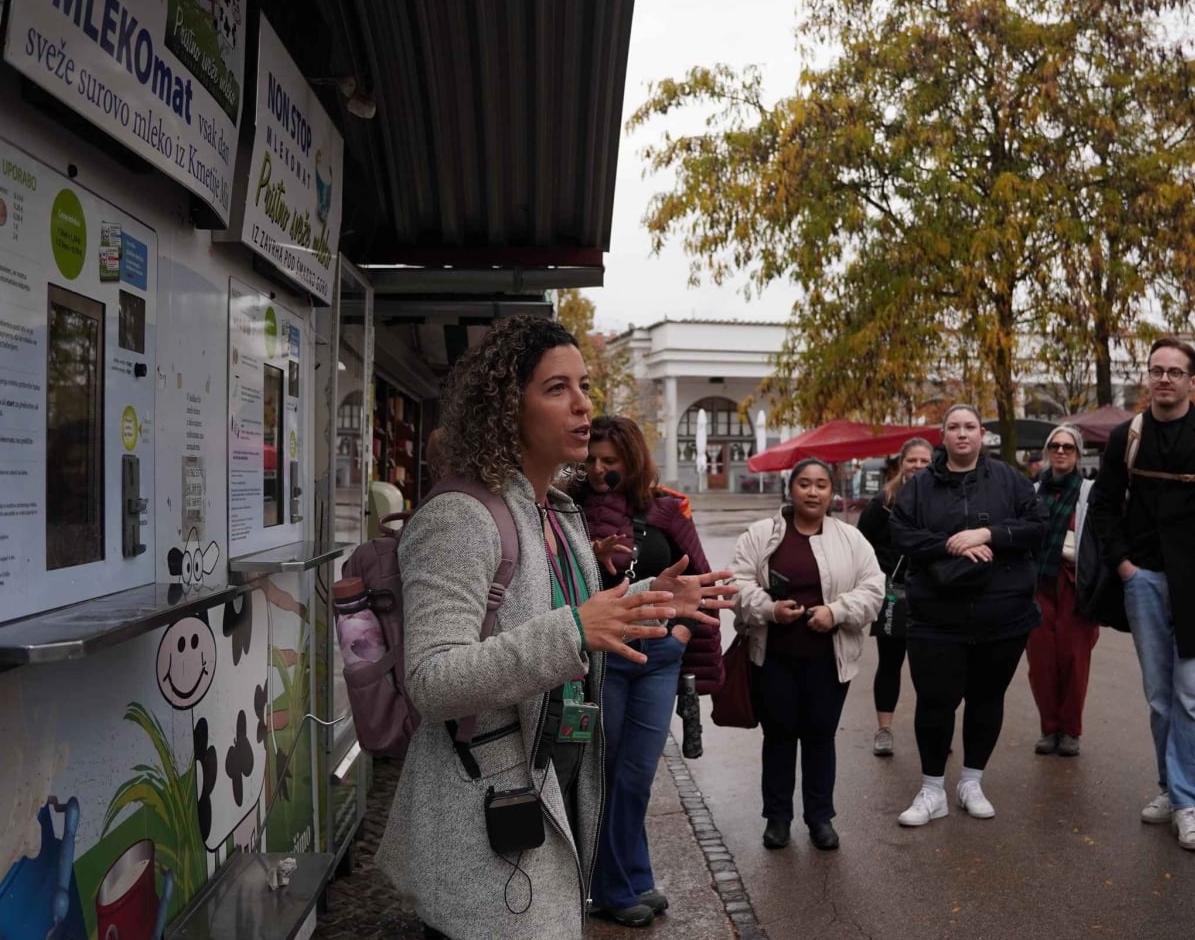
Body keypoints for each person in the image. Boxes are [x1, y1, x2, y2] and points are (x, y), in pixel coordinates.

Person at [377, 316, 736, 940]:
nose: (583, 405)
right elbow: (431, 682)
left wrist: (651, 597)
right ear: (506, 408)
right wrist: (574, 630)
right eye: (556, 388)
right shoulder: (460, 517)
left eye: (585, 386)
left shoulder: (557, 513)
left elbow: (569, 612)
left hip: (551, 785)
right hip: (484, 811)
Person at [1089, 337, 1195, 852]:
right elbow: (1103, 507)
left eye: (1175, 372)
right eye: (1157, 370)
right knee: (1161, 698)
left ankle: (1190, 804)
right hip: (1143, 579)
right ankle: (1170, 787)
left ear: (1193, 380)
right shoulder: (1127, 436)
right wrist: (1125, 567)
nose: (1164, 379)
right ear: (1147, 376)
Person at [572, 415, 722, 925]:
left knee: (637, 775)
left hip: (658, 659)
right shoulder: (569, 511)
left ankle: (632, 877)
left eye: (609, 461)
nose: (597, 469)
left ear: (632, 462)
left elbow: (699, 577)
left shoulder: (665, 510)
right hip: (605, 657)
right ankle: (615, 888)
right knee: (610, 772)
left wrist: (682, 636)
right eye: (591, 459)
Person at [891, 404, 1048, 826]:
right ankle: (931, 790)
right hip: (936, 616)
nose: (962, 434)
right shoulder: (919, 487)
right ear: (942, 436)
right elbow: (901, 535)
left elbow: (1038, 526)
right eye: (953, 427)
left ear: (982, 434)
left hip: (1003, 614)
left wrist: (989, 534)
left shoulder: (1010, 480)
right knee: (934, 702)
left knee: (986, 699)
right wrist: (951, 544)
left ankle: (972, 782)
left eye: (970, 427)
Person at [732, 458, 885, 851]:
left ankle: (820, 818)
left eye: (821, 485)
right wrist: (770, 609)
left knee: (820, 737)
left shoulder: (851, 540)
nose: (812, 492)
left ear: (831, 492)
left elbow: (873, 588)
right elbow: (737, 582)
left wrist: (836, 612)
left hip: (828, 658)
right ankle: (777, 819)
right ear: (791, 489)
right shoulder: (762, 535)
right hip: (774, 656)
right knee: (778, 737)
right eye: (804, 484)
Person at [856, 437, 934, 757]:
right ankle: (884, 730)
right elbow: (861, 547)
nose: (918, 466)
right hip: (891, 597)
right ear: (901, 463)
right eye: (912, 460)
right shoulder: (883, 502)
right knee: (890, 663)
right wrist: (879, 578)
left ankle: (934, 730)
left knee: (930, 668)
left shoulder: (943, 498)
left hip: (931, 595)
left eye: (925, 461)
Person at [1027, 425, 1100, 757]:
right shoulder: (1031, 492)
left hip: (1075, 584)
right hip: (1038, 584)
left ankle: (1070, 730)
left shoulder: (1089, 492)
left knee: (1074, 658)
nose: (1060, 451)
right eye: (1054, 446)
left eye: (1067, 447)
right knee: (1041, 660)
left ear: (1078, 454)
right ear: (1047, 451)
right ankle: (1049, 727)